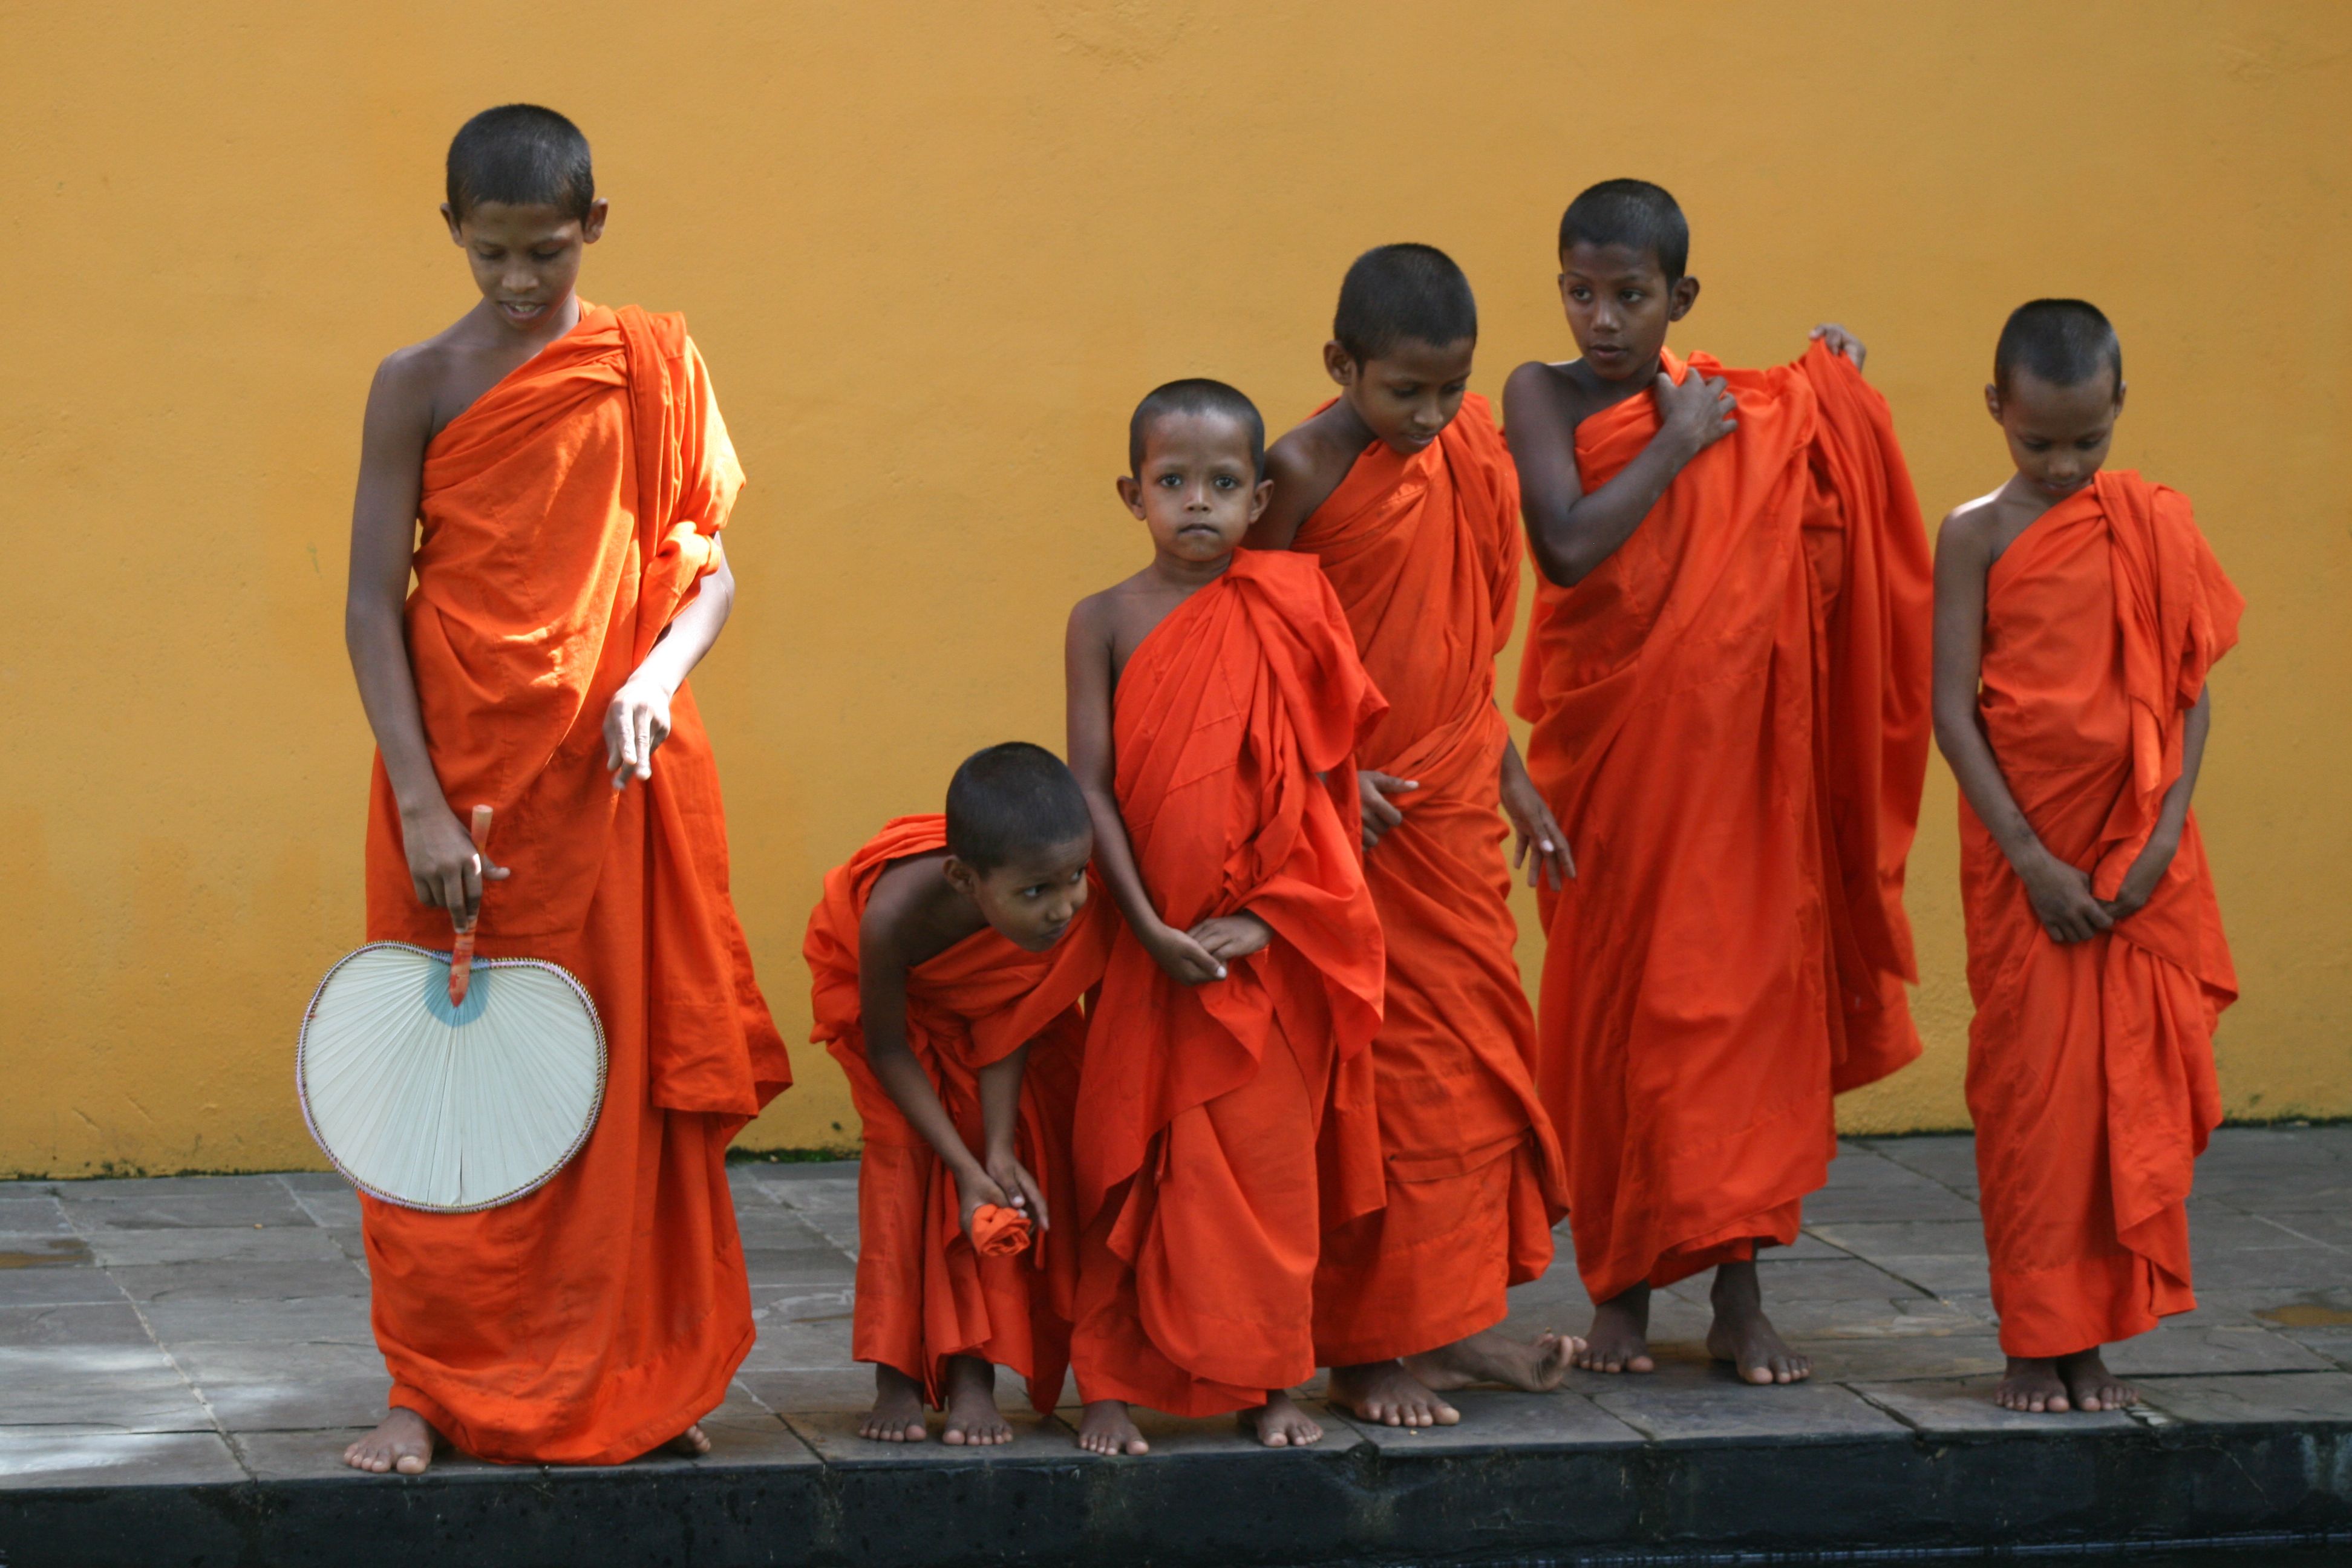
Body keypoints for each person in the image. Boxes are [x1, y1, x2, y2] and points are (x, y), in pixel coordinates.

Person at [340, 105, 789, 1472]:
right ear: (452, 237)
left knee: (615, 1084)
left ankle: (627, 1377)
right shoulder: (415, 381)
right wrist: (418, 799)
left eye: (544, 252)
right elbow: (370, 604)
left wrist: (655, 675)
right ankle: (426, 1389)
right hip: (454, 774)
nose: (521, 283)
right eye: (492, 257)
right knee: (449, 1085)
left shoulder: (650, 364)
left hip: (607, 778)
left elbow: (704, 569)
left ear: (593, 226)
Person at [1503, 179, 1933, 1385]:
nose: (1601, 318)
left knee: (1738, 1013)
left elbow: (1810, 456)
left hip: (1738, 778)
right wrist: (1682, 441)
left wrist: (1831, 386)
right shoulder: (1540, 393)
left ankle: (1742, 1297)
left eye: (1628, 296)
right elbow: (1568, 541)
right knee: (1616, 1018)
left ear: (1679, 297)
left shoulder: (1730, 405)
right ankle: (1622, 1298)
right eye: (1580, 291)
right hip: (1615, 776)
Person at [1248, 244, 1578, 1428]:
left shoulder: (1466, 450)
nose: (1434, 417)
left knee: (1464, 1082)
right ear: (1341, 366)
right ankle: (1370, 1350)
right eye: (1406, 393)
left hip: (1446, 806)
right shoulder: (1295, 469)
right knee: (1380, 1086)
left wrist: (1516, 778)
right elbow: (1251, 648)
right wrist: (1327, 781)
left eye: (1451, 389)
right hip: (1351, 832)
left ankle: (1445, 1329)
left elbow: (1459, 660)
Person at [1062, 379, 1388, 1453]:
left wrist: (1272, 920)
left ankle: (1273, 1382)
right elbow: (1091, 788)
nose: (1193, 503)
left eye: (1219, 484)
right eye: (1170, 482)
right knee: (1126, 1157)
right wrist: (1147, 924)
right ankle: (1106, 1386)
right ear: (1131, 492)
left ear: (1258, 498)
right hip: (1141, 938)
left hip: (1265, 950)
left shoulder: (1293, 603)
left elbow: (1323, 791)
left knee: (1269, 1173)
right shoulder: (1101, 619)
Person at [1932, 300, 2241, 1414]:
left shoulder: (2151, 523)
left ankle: (2093, 1333)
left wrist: (2159, 843)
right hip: (2031, 871)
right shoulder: (1973, 531)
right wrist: (2031, 862)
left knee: (2121, 1098)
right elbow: (1951, 713)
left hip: (2134, 867)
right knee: (2031, 1102)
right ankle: (2033, 1336)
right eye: (2037, 442)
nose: (2062, 465)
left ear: (2118, 407)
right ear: (1994, 411)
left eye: (2085, 440)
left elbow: (2188, 691)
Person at [803, 743, 1108, 1445]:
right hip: (890, 1026)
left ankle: (975, 1373)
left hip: (994, 1033)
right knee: (907, 1165)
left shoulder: (1050, 909)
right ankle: (897, 1374)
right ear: (964, 879)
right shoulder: (894, 916)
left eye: (1075, 879)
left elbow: (1009, 1012)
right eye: (1037, 892)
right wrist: (965, 1168)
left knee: (997, 1163)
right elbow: (887, 1048)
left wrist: (993, 1154)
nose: (1064, 907)